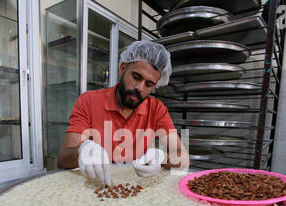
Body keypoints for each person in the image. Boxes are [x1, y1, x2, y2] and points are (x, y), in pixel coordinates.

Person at [57, 40, 189, 185]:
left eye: (149, 84)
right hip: (95, 186)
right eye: (136, 77)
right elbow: (63, 160)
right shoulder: (88, 101)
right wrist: (83, 150)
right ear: (122, 68)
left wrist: (163, 157)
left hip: (137, 188)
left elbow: (182, 157)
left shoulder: (157, 109)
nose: (139, 88)